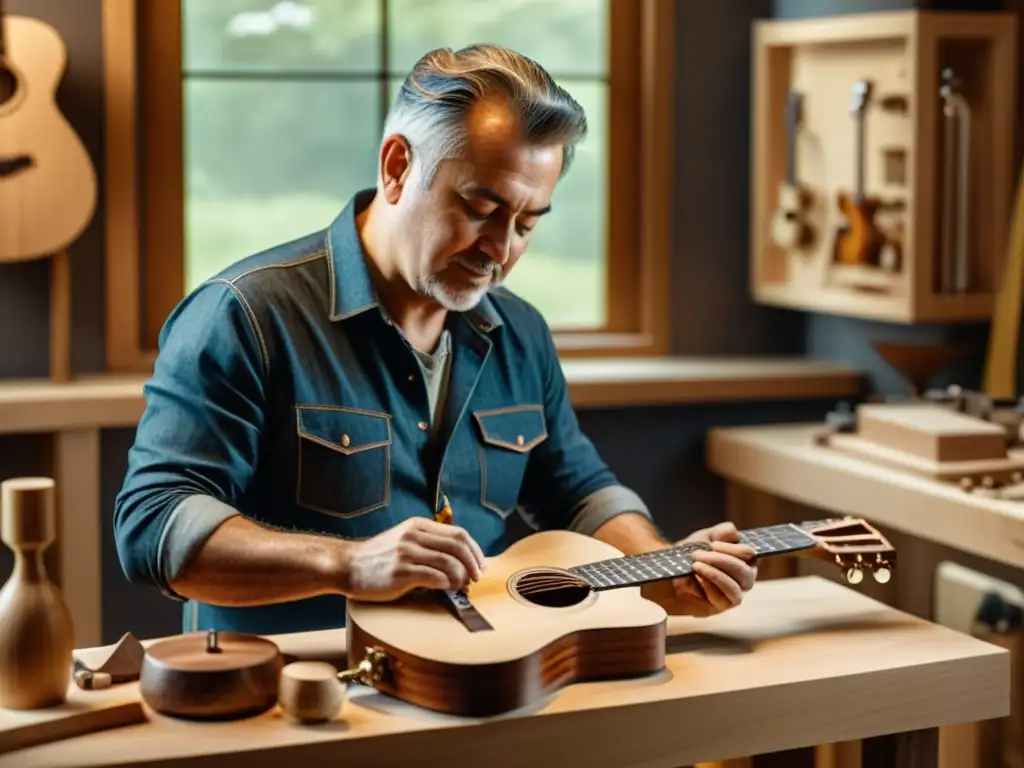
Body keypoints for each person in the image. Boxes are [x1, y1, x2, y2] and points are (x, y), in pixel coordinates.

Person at [113, 44, 757, 635]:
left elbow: (576, 489)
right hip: (287, 700)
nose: (501, 251)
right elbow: (152, 526)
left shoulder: (522, 332)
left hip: (477, 681)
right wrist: (350, 564)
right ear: (397, 166)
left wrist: (659, 565)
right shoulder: (242, 314)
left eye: (528, 223)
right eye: (481, 209)